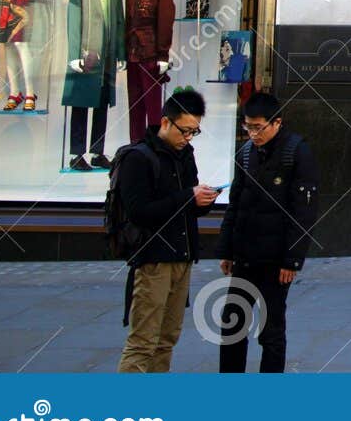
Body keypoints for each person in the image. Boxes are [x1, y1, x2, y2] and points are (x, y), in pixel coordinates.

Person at [216, 91, 320, 373]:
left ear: (277, 123)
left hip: (276, 261)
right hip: (244, 255)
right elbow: (234, 203)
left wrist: (292, 259)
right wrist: (226, 250)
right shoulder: (246, 152)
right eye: (247, 127)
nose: (253, 133)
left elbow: (304, 212)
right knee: (232, 324)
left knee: (271, 329)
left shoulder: (296, 151)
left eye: (258, 127)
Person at [116, 88, 219, 373]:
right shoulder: (138, 158)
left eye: (194, 132)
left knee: (167, 339)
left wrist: (203, 200)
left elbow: (189, 205)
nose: (187, 137)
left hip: (182, 256)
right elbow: (139, 212)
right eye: (184, 130)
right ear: (165, 122)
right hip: (153, 258)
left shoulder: (185, 154)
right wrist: (189, 197)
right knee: (143, 341)